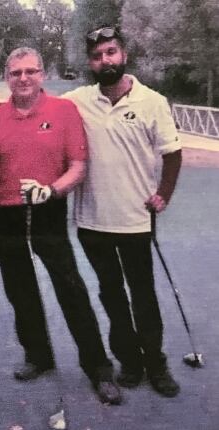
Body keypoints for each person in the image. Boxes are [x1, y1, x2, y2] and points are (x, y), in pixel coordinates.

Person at [0, 47, 122, 404]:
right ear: (7, 77)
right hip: (7, 213)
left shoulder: (64, 111)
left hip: (47, 206)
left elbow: (78, 165)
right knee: (20, 290)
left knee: (70, 287)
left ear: (42, 74)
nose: (23, 78)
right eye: (16, 73)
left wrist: (52, 190)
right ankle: (38, 356)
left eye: (30, 71)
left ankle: (98, 367)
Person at [64, 26, 183, 398]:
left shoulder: (152, 101)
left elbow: (172, 153)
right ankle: (130, 360)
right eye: (98, 56)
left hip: (135, 219)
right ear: (90, 62)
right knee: (111, 294)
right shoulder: (77, 101)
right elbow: (36, 110)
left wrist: (163, 193)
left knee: (143, 294)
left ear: (124, 55)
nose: (105, 61)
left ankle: (156, 364)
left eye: (111, 53)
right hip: (92, 221)